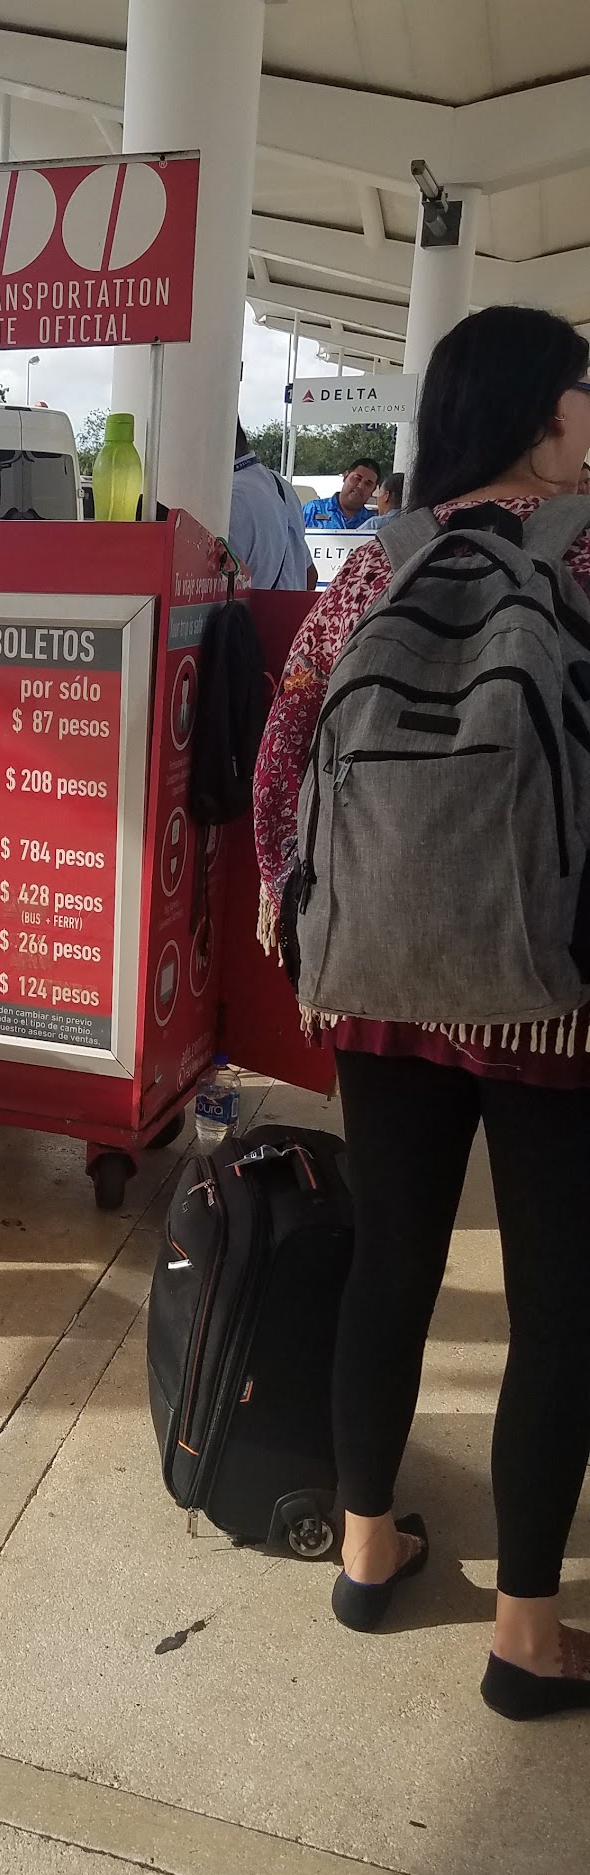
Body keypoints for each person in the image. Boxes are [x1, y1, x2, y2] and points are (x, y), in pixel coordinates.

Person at [253, 304, 590, 1721]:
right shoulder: (587, 554)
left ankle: (367, 1552)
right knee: (559, 1309)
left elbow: (287, 745)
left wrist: (297, 918)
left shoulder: (376, 560)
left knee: (393, 1264)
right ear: (543, 414)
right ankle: (526, 1637)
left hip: (383, 985)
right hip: (553, 993)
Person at [229, 424, 317, 591]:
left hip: (252, 607)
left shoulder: (229, 496)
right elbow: (310, 575)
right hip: (288, 605)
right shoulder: (281, 484)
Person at [302, 458, 381, 531]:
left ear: (373, 490)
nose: (360, 486)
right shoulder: (312, 510)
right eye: (357, 478)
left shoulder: (374, 525)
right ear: (345, 476)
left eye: (368, 484)